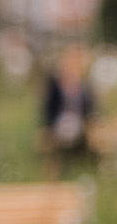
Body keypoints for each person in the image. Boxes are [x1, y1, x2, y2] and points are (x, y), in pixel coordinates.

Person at [40, 43, 95, 174]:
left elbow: (90, 108)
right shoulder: (55, 83)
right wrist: (47, 127)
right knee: (58, 136)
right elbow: (48, 108)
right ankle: (57, 168)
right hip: (59, 123)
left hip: (78, 123)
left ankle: (84, 167)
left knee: (89, 134)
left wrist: (92, 122)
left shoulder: (84, 85)